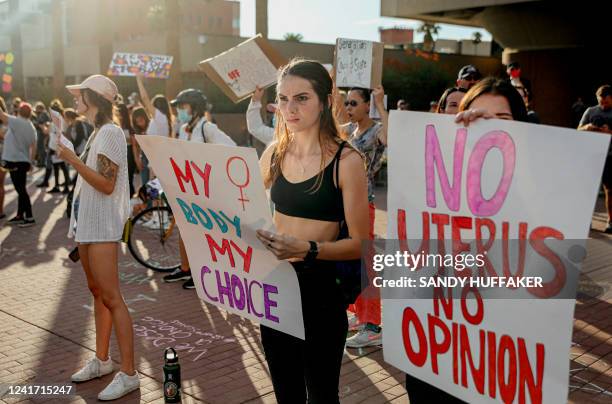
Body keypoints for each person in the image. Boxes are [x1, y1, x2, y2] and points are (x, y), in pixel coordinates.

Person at [401, 77, 528, 404]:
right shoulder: (435, 174)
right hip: (438, 325)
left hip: (497, 334)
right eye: (477, 115)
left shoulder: (533, 177)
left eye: (502, 119)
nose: (489, 127)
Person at [255, 58, 369, 403]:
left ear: (324, 100)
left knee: (321, 394)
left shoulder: (347, 162)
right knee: (286, 394)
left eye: (301, 98)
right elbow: (247, 209)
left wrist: (308, 248)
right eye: (284, 98)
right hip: (275, 289)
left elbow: (360, 244)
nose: (290, 108)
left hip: (321, 293)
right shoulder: (274, 152)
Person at [57, 74, 139, 401]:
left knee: (112, 296)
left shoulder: (109, 133)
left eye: (80, 95)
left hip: (103, 227)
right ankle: (102, 360)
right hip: (89, 226)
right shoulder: (96, 133)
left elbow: (106, 184)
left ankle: (129, 373)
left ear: (94, 98)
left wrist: (73, 160)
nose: (75, 99)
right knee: (98, 293)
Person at [162, 88, 235, 289]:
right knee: (184, 230)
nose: (179, 111)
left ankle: (203, 274)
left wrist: (209, 166)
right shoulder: (186, 128)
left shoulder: (207, 128)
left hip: (204, 192)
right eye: (177, 107)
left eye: (182, 107)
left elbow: (232, 149)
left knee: (200, 235)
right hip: (187, 190)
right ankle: (186, 268)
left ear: (194, 108)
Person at [336, 86, 388, 348]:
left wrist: (381, 104)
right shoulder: (349, 130)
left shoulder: (376, 130)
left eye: (354, 103)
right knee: (354, 261)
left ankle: (373, 325)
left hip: (362, 205)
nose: (349, 108)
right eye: (347, 103)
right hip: (345, 203)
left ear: (368, 105)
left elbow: (391, 141)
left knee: (367, 264)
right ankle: (360, 314)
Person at [578, 85, 612, 233]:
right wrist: (588, 127)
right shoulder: (591, 111)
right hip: (591, 156)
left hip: (610, 156)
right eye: (600, 101)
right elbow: (578, 129)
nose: (603, 104)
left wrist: (609, 131)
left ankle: (610, 222)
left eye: (606, 102)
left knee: (610, 190)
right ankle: (586, 220)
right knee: (587, 190)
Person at [0, 102, 37, 227]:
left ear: (20, 111)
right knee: (21, 189)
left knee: (21, 190)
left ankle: (30, 217)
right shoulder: (31, 126)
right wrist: (30, 162)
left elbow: (1, 115)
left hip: (14, 161)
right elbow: (34, 146)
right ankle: (20, 215)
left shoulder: (17, 122)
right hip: (23, 161)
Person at [116, 103, 137, 196]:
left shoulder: (129, 127)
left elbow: (134, 144)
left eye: (118, 112)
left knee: (128, 179)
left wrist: (136, 159)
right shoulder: (115, 126)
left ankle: (130, 200)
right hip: (119, 154)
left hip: (129, 154)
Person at [33, 102, 50, 168]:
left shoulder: (43, 114)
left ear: (40, 108)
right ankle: (42, 161)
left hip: (42, 133)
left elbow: (41, 123)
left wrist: (36, 123)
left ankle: (42, 162)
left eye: (37, 108)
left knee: (41, 147)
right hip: (42, 132)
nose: (36, 110)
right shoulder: (44, 114)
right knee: (42, 147)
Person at [0, 96, 8, 219]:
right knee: (0, 185)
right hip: (4, 155)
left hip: (2, 155)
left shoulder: (7, 123)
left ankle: (0, 211)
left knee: (0, 185)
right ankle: (0, 211)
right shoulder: (8, 122)